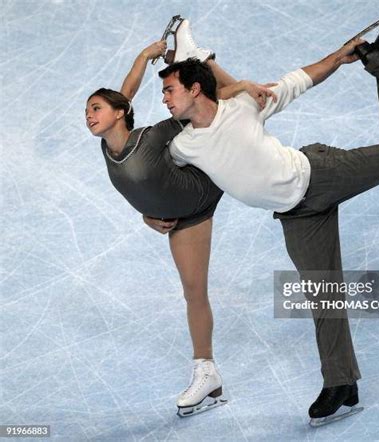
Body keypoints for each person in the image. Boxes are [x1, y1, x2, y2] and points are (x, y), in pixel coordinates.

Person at [159, 18, 379, 425]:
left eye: (169, 90)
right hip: (298, 215)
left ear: (195, 89)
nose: (163, 99)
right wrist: (150, 213)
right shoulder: (182, 145)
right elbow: (153, 177)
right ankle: (341, 384)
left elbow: (296, 81)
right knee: (323, 294)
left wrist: (338, 58)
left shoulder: (242, 106)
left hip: (321, 173)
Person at [85, 19, 276, 418]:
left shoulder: (152, 136)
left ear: (120, 114)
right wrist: (146, 215)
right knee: (193, 293)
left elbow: (204, 104)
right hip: (181, 218)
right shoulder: (109, 146)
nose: (89, 115)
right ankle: (208, 375)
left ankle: (198, 58)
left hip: (205, 189)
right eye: (88, 110)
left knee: (224, 111)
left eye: (97, 108)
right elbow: (127, 92)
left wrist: (239, 87)